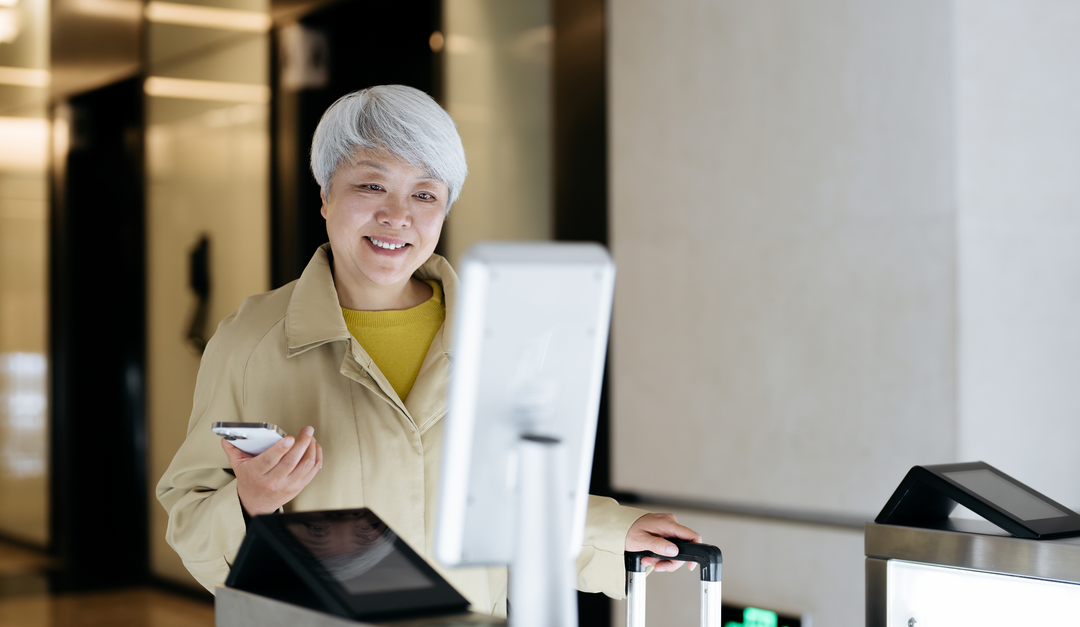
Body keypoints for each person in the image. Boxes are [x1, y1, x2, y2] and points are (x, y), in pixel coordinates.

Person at [157, 85, 701, 617]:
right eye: (371, 186)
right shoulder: (248, 341)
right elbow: (190, 517)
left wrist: (615, 535)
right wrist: (250, 503)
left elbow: (518, 507)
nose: (399, 215)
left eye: (424, 194)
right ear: (324, 195)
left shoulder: (503, 339)